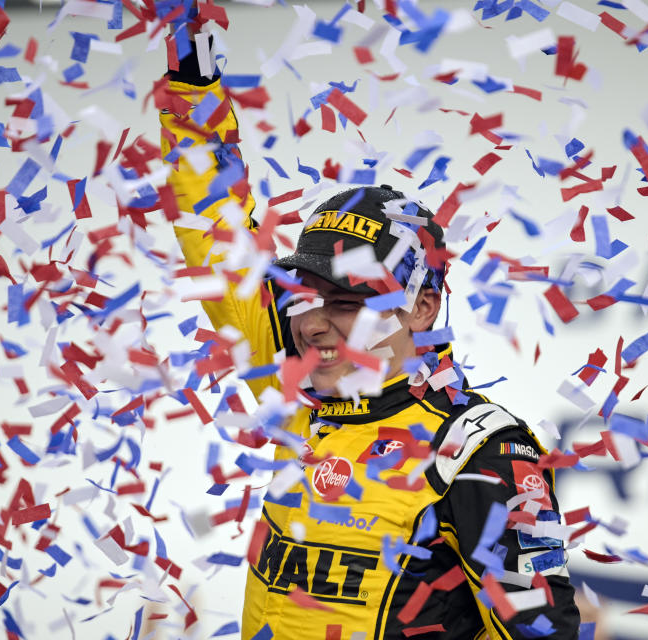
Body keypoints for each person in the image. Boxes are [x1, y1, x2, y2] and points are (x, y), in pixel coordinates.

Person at [160, 16, 580, 640]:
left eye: (350, 302)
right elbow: (216, 230)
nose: (316, 323)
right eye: (308, 296)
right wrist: (193, 82)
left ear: (421, 308)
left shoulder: (478, 450)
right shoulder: (293, 382)